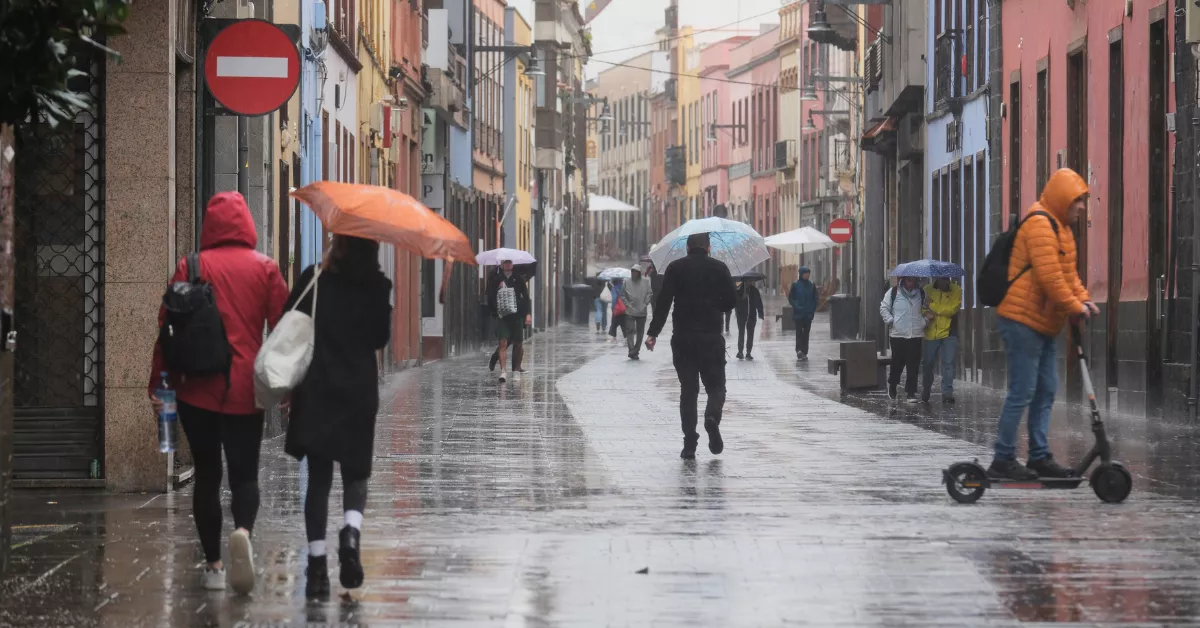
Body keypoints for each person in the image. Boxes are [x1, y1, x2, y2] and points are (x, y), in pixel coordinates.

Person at [148, 191, 289, 594]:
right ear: (247, 224)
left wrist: (159, 383)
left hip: (196, 391)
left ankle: (213, 566)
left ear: (209, 224)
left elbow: (166, 329)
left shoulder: (191, 266)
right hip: (246, 390)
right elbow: (283, 331)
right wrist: (290, 388)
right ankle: (242, 530)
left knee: (207, 476)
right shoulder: (265, 268)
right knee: (245, 474)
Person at [283, 235, 392, 599]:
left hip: (317, 389)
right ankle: (350, 531)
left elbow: (289, 320)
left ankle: (317, 566)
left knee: (318, 478)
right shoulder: (377, 285)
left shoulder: (314, 278)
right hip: (358, 391)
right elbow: (380, 338)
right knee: (355, 471)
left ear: (338, 244)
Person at [991, 168, 1098, 480]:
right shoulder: (1040, 224)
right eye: (1078, 201)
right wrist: (1075, 306)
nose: (1082, 207)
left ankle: (1038, 456)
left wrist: (1083, 299)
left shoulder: (1063, 229)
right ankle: (1003, 458)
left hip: (1046, 322)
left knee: (1047, 388)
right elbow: (1049, 278)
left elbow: (1068, 275)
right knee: (1022, 391)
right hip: (1022, 319)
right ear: (1064, 199)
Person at [646, 232, 738, 459]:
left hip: (684, 339)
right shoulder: (719, 268)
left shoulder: (676, 268)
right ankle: (711, 417)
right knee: (716, 387)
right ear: (709, 248)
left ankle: (689, 444)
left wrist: (653, 333)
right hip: (711, 338)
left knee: (688, 391)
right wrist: (716, 300)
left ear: (687, 248)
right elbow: (730, 303)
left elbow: (663, 302)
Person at [879, 276, 926, 403]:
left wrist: (924, 321)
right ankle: (892, 385)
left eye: (913, 280)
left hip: (915, 334)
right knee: (897, 363)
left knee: (913, 365)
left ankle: (911, 393)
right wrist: (890, 321)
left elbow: (927, 309)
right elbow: (883, 308)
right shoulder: (893, 292)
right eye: (909, 280)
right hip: (898, 334)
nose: (911, 283)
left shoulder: (921, 293)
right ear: (904, 280)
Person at [487, 259, 532, 382]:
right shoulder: (496, 278)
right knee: (503, 342)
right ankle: (503, 372)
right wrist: (495, 311)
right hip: (503, 315)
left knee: (517, 343)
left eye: (509, 262)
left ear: (512, 264)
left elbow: (526, 297)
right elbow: (489, 295)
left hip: (517, 315)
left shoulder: (519, 278)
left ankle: (516, 370)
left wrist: (528, 314)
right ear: (502, 264)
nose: (507, 264)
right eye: (505, 262)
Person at [921, 277, 963, 403]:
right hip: (931, 332)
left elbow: (951, 310)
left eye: (947, 278)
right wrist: (925, 313)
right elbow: (922, 307)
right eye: (943, 278)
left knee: (948, 363)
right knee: (928, 363)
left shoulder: (956, 290)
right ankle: (926, 389)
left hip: (950, 332)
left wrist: (932, 305)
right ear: (937, 278)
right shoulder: (927, 290)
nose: (946, 281)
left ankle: (947, 393)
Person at [621, 264, 654, 360]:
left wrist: (645, 304)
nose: (634, 273)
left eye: (636, 272)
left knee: (640, 332)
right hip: (630, 311)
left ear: (639, 273)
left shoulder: (646, 282)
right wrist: (627, 304)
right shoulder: (627, 282)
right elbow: (622, 295)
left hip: (641, 311)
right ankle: (631, 350)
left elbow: (649, 294)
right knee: (630, 332)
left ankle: (636, 350)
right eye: (632, 272)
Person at [789, 267, 818, 360]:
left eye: (808, 273)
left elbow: (815, 298)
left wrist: (812, 309)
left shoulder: (812, 285)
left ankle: (804, 351)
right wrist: (797, 306)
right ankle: (798, 350)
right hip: (798, 313)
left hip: (808, 314)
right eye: (805, 273)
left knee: (806, 333)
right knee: (799, 332)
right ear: (801, 274)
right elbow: (791, 298)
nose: (807, 275)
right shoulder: (795, 285)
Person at [734, 279, 764, 360]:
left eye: (750, 281)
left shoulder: (754, 291)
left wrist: (761, 313)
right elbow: (735, 302)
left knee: (750, 334)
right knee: (741, 333)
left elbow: (759, 302)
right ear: (744, 281)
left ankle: (748, 352)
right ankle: (740, 352)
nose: (749, 282)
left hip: (752, 316)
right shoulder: (739, 290)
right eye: (747, 281)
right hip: (741, 315)